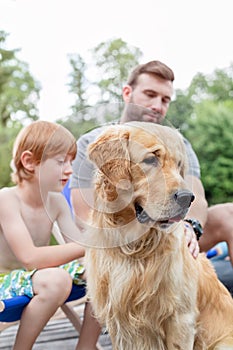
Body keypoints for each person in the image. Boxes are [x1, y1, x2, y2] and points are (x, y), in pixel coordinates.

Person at [68, 60, 233, 293]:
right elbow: (84, 213)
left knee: (229, 215)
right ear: (127, 93)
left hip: (169, 234)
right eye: (150, 94)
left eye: (165, 100)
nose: (157, 105)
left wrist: (189, 226)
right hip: (115, 243)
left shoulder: (179, 143)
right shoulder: (92, 142)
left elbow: (196, 195)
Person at [0, 120, 101, 350]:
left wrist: (98, 262)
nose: (69, 169)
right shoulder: (7, 199)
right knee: (58, 279)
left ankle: (86, 346)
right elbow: (30, 258)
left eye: (71, 162)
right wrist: (94, 243)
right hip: (4, 280)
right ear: (29, 162)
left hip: (38, 278)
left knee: (104, 272)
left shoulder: (55, 201)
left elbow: (77, 248)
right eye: (60, 161)